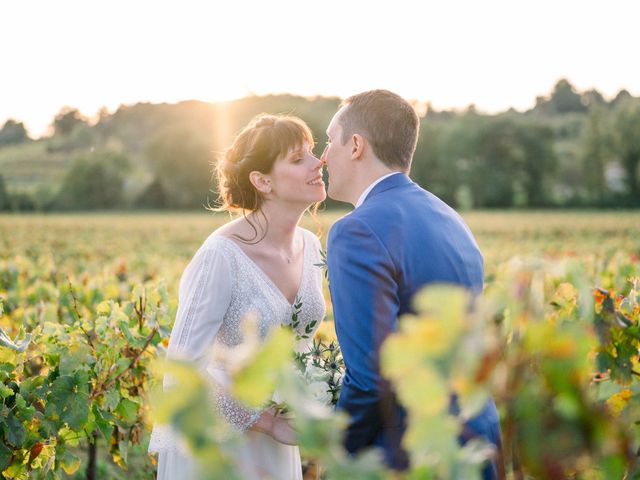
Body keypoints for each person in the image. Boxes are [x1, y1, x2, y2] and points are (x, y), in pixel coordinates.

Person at [322, 90, 502, 479]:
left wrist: (337, 456)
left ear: (356, 146)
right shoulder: (450, 217)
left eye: (328, 140)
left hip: (408, 453)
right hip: (477, 442)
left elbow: (371, 378)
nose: (322, 156)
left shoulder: (356, 232)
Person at [148, 114, 327, 479]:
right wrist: (264, 421)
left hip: (277, 443)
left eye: (312, 152)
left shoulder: (312, 246)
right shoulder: (220, 255)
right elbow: (182, 373)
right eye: (298, 159)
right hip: (219, 443)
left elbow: (299, 349)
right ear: (262, 181)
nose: (317, 162)